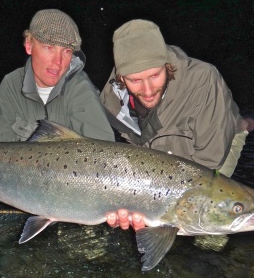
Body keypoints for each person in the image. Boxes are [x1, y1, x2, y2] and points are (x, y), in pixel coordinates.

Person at [101, 19, 250, 231]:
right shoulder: (112, 102)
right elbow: (135, 155)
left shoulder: (204, 80)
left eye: (155, 75)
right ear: (121, 78)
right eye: (135, 80)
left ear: (166, 65)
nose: (148, 89)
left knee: (200, 221)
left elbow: (208, 163)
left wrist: (169, 210)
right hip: (161, 151)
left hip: (217, 145)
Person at [0, 9, 115, 176]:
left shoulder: (81, 90)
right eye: (49, 47)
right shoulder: (12, 83)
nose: (58, 61)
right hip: (19, 182)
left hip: (65, 192)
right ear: (29, 45)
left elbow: (106, 159)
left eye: (67, 51)